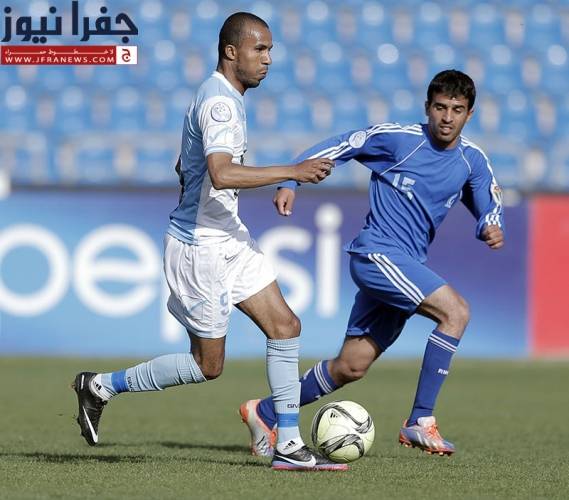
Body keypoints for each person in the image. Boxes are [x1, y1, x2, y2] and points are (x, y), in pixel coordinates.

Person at [72, 12, 347, 472]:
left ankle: (289, 444)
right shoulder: (220, 102)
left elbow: (187, 164)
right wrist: (292, 171)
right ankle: (99, 386)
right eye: (260, 49)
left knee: (285, 325)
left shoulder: (221, 96)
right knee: (208, 365)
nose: (268, 59)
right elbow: (220, 173)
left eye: (270, 50)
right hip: (200, 246)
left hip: (227, 235)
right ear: (231, 52)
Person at [240, 69, 505, 457]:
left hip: (405, 263)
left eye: (457, 109)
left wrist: (490, 225)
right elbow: (341, 144)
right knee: (456, 312)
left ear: (470, 114)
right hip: (376, 254)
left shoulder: (472, 160)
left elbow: (488, 201)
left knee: (351, 366)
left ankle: (263, 412)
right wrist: (291, 181)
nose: (447, 117)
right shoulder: (399, 140)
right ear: (427, 108)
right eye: (440, 107)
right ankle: (420, 420)